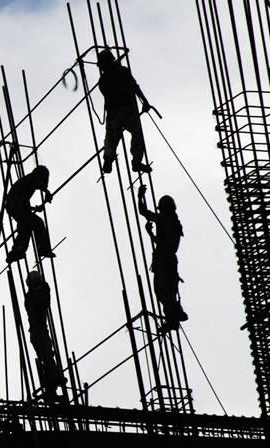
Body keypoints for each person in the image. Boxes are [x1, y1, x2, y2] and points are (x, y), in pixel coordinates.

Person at [138, 186, 188, 333]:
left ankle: (173, 318)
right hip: (171, 259)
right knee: (167, 291)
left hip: (163, 258)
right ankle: (172, 319)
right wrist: (151, 234)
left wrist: (140, 197)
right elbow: (167, 244)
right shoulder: (175, 224)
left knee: (163, 290)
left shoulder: (163, 219)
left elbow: (143, 212)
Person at [97, 48, 155, 175]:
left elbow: (132, 87)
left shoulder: (102, 81)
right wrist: (145, 101)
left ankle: (108, 158)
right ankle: (136, 161)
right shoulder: (122, 72)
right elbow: (134, 87)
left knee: (111, 138)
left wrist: (144, 101)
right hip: (127, 109)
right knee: (136, 134)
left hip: (114, 113)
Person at [24, 271, 66, 396]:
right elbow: (40, 303)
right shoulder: (31, 296)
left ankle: (52, 382)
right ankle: (52, 380)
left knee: (47, 355)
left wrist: (44, 288)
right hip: (37, 331)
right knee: (46, 355)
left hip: (40, 329)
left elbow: (44, 302)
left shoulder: (37, 294)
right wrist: (44, 288)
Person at [5, 165, 55, 263]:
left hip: (17, 206)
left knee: (28, 226)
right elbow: (38, 183)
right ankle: (38, 248)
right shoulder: (31, 178)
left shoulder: (30, 182)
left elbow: (24, 199)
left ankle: (19, 250)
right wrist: (47, 192)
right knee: (33, 224)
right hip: (15, 205)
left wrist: (35, 208)